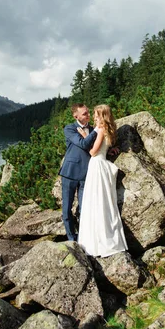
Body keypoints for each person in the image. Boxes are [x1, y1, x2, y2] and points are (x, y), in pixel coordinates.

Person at [76, 104, 128, 257]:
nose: (94, 116)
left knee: (95, 202)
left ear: (102, 115)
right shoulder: (108, 129)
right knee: (104, 202)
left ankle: (96, 243)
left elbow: (93, 151)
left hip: (97, 166)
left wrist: (85, 138)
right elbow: (103, 148)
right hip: (102, 163)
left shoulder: (101, 129)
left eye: (96, 114)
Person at [58, 103, 99, 241]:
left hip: (86, 174)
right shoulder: (70, 128)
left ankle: (83, 237)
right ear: (76, 116)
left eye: (88, 112)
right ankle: (71, 238)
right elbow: (82, 144)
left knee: (84, 208)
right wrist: (96, 131)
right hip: (69, 173)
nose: (88, 115)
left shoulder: (92, 129)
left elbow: (95, 148)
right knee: (67, 209)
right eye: (84, 114)